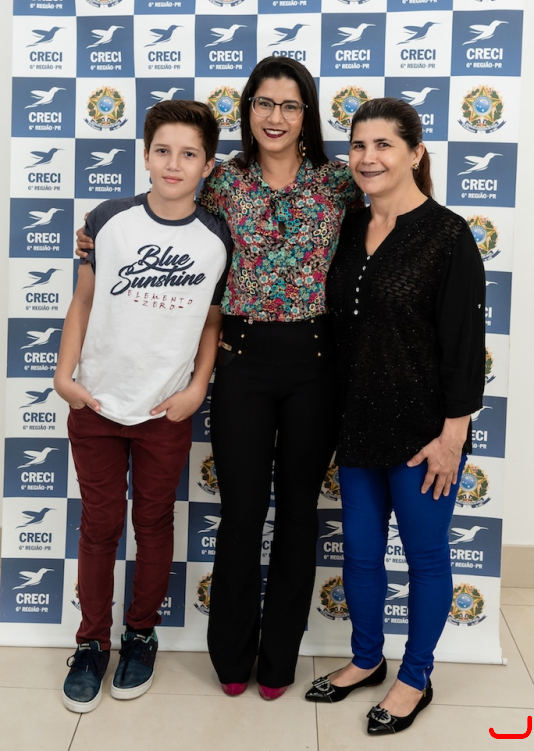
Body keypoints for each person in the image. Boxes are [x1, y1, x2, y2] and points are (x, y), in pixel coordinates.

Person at [78, 57, 362, 699]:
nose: (276, 117)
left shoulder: (338, 180)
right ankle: (232, 659)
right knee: (242, 510)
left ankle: (280, 660)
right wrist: (93, 234)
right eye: (264, 102)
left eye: (290, 105)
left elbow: (393, 208)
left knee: (298, 512)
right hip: (241, 361)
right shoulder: (222, 181)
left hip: (317, 363)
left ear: (307, 114)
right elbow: (161, 211)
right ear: (248, 109)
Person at [305, 97, 485, 734]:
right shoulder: (347, 226)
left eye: (384, 144)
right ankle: (366, 659)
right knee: (359, 553)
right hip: (357, 424)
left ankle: (415, 677)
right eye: (358, 145)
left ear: (415, 153)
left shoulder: (448, 234)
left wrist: (452, 437)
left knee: (426, 555)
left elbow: (465, 346)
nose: (368, 157)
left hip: (423, 433)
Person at [55, 100, 232, 713]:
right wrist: (64, 376)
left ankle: (140, 636)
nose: (173, 164)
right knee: (99, 525)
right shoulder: (108, 220)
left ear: (208, 165)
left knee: (153, 524)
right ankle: (90, 644)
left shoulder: (217, 236)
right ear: (146, 156)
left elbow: (212, 323)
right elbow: (83, 301)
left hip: (164, 412)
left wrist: (197, 388)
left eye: (188, 154)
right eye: (163, 151)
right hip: (96, 403)